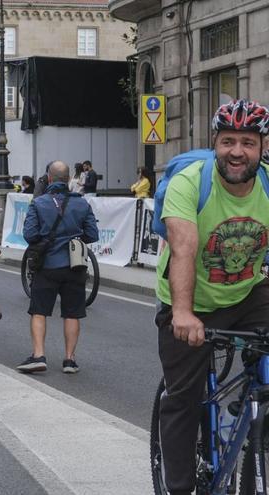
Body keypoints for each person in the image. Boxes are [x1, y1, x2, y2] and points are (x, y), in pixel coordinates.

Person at [155, 99, 269, 495]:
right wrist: (183, 313)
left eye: (248, 143)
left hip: (248, 291)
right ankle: (181, 489)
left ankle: (255, 410)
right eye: (228, 141)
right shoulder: (190, 182)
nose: (237, 151)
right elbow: (183, 246)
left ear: (262, 147)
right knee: (183, 400)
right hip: (191, 299)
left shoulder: (268, 184)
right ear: (215, 143)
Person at [18, 160, 98, 374]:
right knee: (72, 313)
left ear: (50, 179)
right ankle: (70, 360)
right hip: (75, 266)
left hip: (47, 266)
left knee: (39, 311)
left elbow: (29, 235)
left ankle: (38, 355)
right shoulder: (81, 204)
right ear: (68, 179)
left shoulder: (39, 203)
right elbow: (92, 234)